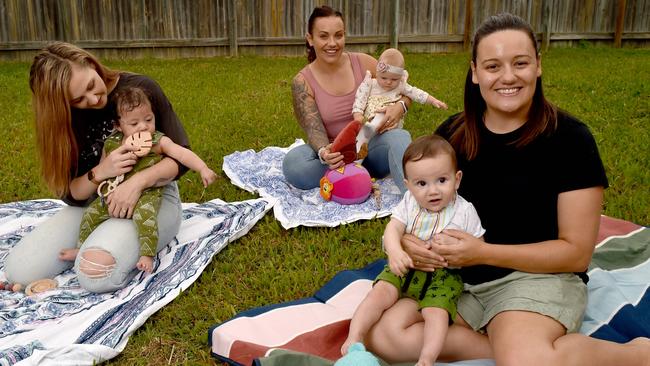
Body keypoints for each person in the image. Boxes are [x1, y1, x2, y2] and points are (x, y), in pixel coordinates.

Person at [365, 13, 650, 365]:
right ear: (475, 72)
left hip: (534, 279)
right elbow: (416, 207)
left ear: (538, 66)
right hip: (458, 279)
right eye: (493, 66)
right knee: (385, 336)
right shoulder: (452, 136)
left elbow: (575, 253)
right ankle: (513, 347)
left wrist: (482, 253)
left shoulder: (571, 140)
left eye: (520, 63)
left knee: (525, 361)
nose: (508, 77)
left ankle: (635, 355)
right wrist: (408, 241)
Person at [4, 42, 191, 293]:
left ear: (91, 64)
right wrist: (101, 171)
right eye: (78, 99)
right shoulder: (64, 119)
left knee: (95, 272)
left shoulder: (141, 89)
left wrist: (136, 183)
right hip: (97, 202)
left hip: (152, 198)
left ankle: (107, 241)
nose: (93, 100)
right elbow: (73, 193)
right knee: (20, 270)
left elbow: (180, 157)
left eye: (91, 86)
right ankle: (102, 235)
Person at [341, 135, 484, 366]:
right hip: (406, 264)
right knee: (379, 293)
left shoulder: (464, 211)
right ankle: (354, 338)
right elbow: (393, 229)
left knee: (435, 313)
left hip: (443, 275)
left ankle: (427, 358)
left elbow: (479, 245)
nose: (432, 191)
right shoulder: (409, 203)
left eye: (441, 180)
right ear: (408, 186)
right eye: (422, 184)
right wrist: (396, 252)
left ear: (457, 180)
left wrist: (461, 250)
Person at [59, 87, 216, 273]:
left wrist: (203, 168)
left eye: (148, 119)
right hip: (114, 192)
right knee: (90, 214)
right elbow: (104, 169)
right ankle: (81, 247)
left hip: (147, 193)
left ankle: (147, 254)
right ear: (118, 126)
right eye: (134, 123)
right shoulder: (112, 143)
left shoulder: (157, 140)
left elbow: (181, 153)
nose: (143, 126)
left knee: (146, 218)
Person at [282, 5, 412, 193]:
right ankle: (354, 176)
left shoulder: (364, 63)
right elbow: (313, 130)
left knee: (399, 138)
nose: (332, 43)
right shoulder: (302, 81)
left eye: (338, 35)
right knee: (293, 164)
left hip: (372, 149)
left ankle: (415, 204)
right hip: (336, 157)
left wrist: (401, 107)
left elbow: (406, 90)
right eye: (324, 36)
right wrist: (324, 152)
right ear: (310, 39)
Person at [351, 48, 447, 161]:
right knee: (362, 140)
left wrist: (433, 100)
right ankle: (356, 161)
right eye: (384, 77)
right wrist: (357, 114)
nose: (388, 82)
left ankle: (393, 160)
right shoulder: (371, 83)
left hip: (391, 126)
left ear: (400, 77)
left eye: (394, 79)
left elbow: (416, 93)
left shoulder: (400, 86)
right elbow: (360, 98)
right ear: (377, 73)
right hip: (370, 122)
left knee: (396, 141)